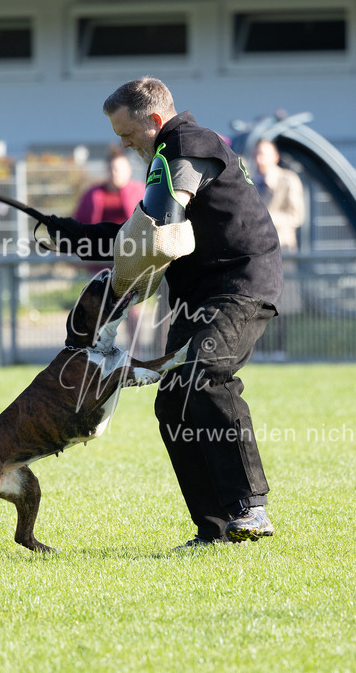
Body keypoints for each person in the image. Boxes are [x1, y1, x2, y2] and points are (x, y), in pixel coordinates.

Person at [34, 77, 283, 548]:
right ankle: (213, 529)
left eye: (127, 134)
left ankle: (251, 507)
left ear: (154, 120)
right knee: (172, 401)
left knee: (203, 377)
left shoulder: (188, 145)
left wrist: (79, 239)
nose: (123, 145)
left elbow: (158, 225)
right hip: (197, 294)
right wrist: (66, 233)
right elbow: (139, 230)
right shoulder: (164, 157)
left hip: (240, 285)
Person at [74, 146, 146, 344]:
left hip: (129, 263)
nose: (116, 174)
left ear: (128, 170)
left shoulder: (138, 191)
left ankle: (135, 351)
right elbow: (78, 223)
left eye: (120, 169)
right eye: (112, 169)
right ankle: (96, 351)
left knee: (130, 309)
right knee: (97, 310)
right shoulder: (93, 195)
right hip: (99, 264)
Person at [253, 138, 305, 360]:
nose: (259, 159)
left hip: (282, 249)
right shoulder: (251, 181)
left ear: (275, 156)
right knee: (259, 300)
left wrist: (267, 219)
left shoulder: (288, 180)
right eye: (257, 154)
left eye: (264, 154)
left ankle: (280, 349)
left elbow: (296, 215)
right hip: (258, 251)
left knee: (283, 302)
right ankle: (262, 350)